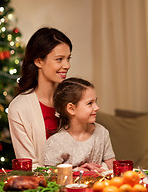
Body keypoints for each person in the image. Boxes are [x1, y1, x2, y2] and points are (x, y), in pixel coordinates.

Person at [8, 27, 72, 169]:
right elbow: (29, 166)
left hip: (77, 184)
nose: (67, 65)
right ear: (38, 62)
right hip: (42, 187)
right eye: (59, 59)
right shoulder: (18, 108)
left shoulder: (73, 98)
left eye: (68, 58)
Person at [44, 77, 116, 171]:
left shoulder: (102, 132)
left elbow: (114, 169)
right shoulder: (56, 142)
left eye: (96, 102)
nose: (97, 107)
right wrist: (76, 171)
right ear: (71, 109)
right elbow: (50, 175)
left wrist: (103, 169)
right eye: (90, 103)